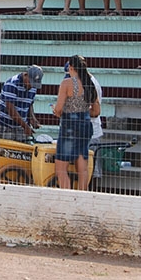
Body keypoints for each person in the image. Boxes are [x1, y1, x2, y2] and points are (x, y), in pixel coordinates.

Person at [51, 55, 99, 190]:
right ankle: (82, 194)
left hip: (69, 125)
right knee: (82, 166)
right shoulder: (90, 84)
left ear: (71, 68)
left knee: (61, 167)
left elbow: (59, 109)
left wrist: (56, 111)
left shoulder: (67, 84)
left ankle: (66, 196)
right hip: (85, 123)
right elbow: (96, 111)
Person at [0, 65, 43, 142]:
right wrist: (25, 126)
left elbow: (29, 104)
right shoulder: (12, 84)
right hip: (6, 125)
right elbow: (10, 109)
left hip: (21, 126)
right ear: (25, 75)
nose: (31, 86)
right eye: (30, 82)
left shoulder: (33, 87)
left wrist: (32, 118)